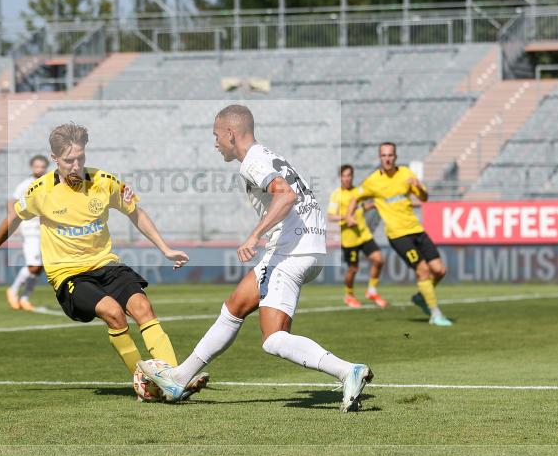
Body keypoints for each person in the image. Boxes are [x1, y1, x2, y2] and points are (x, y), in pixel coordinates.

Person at [138, 105, 373, 412]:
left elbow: (285, 194)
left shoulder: (253, 161)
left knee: (273, 339)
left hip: (291, 251)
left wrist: (254, 235)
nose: (215, 143)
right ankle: (179, 377)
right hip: (307, 246)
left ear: (230, 133)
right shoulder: (268, 154)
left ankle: (347, 371)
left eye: (216, 136)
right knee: (235, 306)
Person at [0, 123, 207, 393]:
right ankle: (148, 382)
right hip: (68, 274)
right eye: (69, 160)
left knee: (143, 308)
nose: (76, 165)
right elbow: (13, 219)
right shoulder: (40, 191)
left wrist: (165, 248)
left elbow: (135, 212)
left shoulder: (105, 182)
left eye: (81, 158)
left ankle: (174, 378)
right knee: (114, 314)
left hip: (106, 264)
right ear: (55, 159)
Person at [345, 142, 451, 326]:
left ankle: (420, 296)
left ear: (395, 157)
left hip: (416, 230)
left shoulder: (406, 174)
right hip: (398, 235)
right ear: (380, 158)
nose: (387, 158)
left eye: (390, 155)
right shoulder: (373, 181)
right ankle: (435, 314)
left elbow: (424, 198)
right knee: (423, 270)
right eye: (384, 155)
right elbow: (355, 197)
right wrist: (348, 215)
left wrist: (419, 185)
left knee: (440, 270)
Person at [327, 165, 387, 308]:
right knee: (353, 269)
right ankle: (349, 295)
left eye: (349, 175)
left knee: (379, 259)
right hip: (349, 239)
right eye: (344, 176)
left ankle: (372, 290)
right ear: (340, 177)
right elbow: (330, 216)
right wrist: (346, 218)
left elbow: (360, 207)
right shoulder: (336, 195)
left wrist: (372, 206)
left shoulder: (357, 191)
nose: (347, 178)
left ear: (352, 177)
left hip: (363, 234)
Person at [6, 154, 50, 311]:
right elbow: (12, 201)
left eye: (42, 166)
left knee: (40, 267)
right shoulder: (25, 185)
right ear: (32, 167)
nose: (39, 169)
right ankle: (13, 290)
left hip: (46, 229)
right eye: (36, 166)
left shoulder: (50, 183)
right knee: (34, 265)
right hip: (30, 228)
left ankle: (25, 298)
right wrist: (14, 222)